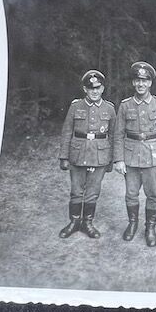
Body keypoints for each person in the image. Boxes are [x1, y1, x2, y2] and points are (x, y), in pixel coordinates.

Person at [113, 62, 156, 246]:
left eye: (144, 81)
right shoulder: (125, 105)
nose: (141, 84)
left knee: (153, 194)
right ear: (133, 83)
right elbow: (118, 134)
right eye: (137, 80)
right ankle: (132, 224)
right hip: (130, 156)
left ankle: (150, 228)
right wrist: (119, 159)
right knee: (131, 194)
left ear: (149, 83)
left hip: (152, 157)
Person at [58, 70, 116, 239]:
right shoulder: (75, 106)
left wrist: (110, 160)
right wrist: (64, 156)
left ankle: (87, 222)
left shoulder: (110, 108)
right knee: (76, 190)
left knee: (92, 191)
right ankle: (74, 222)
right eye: (91, 89)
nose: (95, 92)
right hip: (78, 153)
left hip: (100, 155)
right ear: (85, 89)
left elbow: (113, 135)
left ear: (103, 88)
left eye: (98, 88)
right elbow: (67, 131)